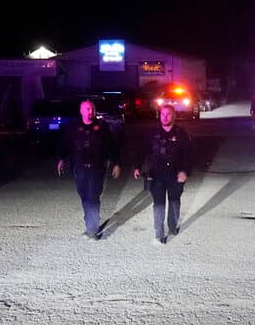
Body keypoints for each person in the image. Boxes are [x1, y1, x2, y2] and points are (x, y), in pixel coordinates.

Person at [57, 99, 122, 240]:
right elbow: (66, 145)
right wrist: (61, 159)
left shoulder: (103, 127)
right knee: (85, 197)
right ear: (81, 111)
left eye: (92, 109)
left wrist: (116, 163)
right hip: (79, 169)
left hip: (97, 169)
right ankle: (90, 224)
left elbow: (113, 146)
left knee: (93, 197)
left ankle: (92, 230)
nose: (91, 111)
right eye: (87, 109)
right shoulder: (73, 127)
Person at [134, 103, 192, 244]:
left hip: (175, 174)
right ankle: (159, 234)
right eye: (162, 114)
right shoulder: (152, 133)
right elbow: (141, 151)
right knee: (158, 203)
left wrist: (185, 171)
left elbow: (188, 155)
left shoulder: (181, 134)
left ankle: (173, 226)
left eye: (168, 114)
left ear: (174, 116)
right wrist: (137, 167)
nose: (165, 117)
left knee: (174, 201)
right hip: (156, 174)